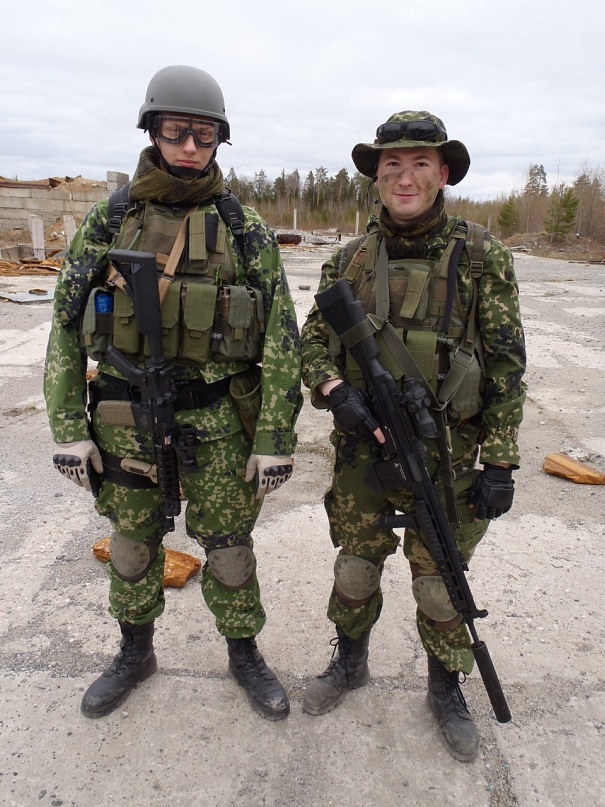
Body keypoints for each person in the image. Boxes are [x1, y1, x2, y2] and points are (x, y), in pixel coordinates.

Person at [44, 65, 302, 721]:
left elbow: (281, 334)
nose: (190, 146)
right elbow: (65, 326)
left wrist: (274, 438)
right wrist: (68, 428)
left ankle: (244, 654)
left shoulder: (242, 227)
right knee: (133, 546)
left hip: (217, 421)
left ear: (220, 139)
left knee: (229, 547)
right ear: (152, 130)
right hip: (125, 416)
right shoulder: (112, 218)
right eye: (176, 130)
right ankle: (135, 652)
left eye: (204, 134)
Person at [300, 111, 526, 761]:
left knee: (438, 579)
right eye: (391, 165)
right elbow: (311, 340)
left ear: (443, 172)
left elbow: (506, 362)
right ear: (375, 177)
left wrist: (500, 460)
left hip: (448, 455)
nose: (404, 177)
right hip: (363, 449)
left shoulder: (481, 255)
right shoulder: (347, 259)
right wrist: (333, 390)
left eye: (419, 163)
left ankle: (445, 685)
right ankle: (349, 661)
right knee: (355, 565)